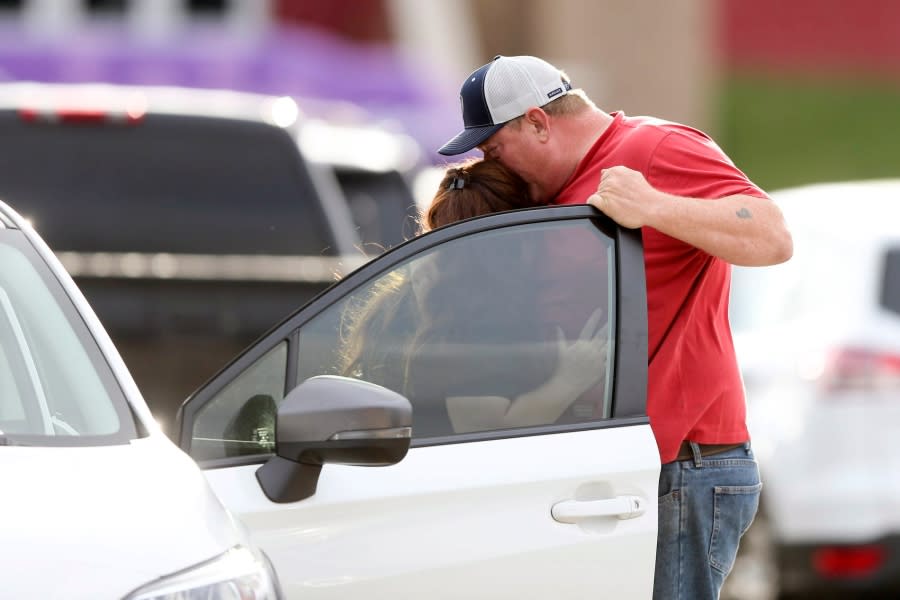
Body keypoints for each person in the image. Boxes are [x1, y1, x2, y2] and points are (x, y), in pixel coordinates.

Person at [437, 55, 794, 599]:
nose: (493, 163)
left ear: (537, 122)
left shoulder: (656, 148)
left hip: (681, 467)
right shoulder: (550, 189)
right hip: (613, 470)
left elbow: (772, 237)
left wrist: (654, 205)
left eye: (493, 148)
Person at [338, 158, 610, 435]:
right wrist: (570, 379)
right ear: (517, 242)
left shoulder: (421, 295)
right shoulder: (470, 323)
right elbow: (486, 430)